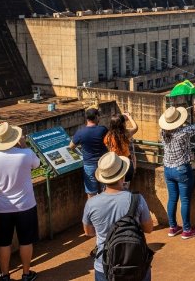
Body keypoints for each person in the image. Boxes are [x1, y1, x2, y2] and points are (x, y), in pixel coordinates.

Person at [0, 122, 41, 281]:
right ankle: (26, 274)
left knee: (3, 243)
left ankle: (5, 275)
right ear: (14, 138)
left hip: (0, 207)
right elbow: (37, 164)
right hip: (26, 206)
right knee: (26, 241)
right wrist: (23, 145)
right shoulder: (26, 154)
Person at [83, 152, 154, 281]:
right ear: (123, 175)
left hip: (104, 265)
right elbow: (149, 228)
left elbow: (89, 232)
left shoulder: (91, 203)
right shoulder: (136, 199)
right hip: (136, 263)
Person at [159, 102, 195, 239]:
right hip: (182, 169)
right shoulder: (183, 132)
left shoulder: (162, 132)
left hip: (168, 169)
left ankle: (173, 227)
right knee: (185, 200)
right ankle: (186, 230)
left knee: (172, 199)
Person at [70, 108, 110, 198]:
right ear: (96, 117)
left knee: (91, 193)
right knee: (106, 190)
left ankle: (91, 211)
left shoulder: (80, 132)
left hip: (89, 164)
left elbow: (71, 146)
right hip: (103, 163)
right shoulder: (103, 130)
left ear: (86, 118)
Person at [105, 112, 139, 189]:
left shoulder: (108, 136)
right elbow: (135, 127)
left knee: (116, 183)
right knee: (125, 184)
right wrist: (129, 117)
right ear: (122, 124)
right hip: (126, 161)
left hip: (114, 162)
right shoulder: (126, 134)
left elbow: (107, 147)